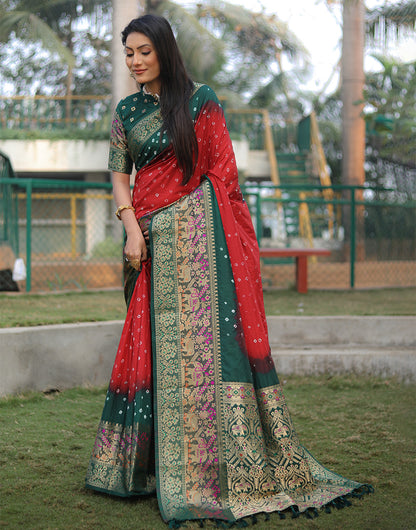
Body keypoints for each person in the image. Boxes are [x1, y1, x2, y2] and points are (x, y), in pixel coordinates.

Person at [85, 14, 372, 526]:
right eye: (128, 52)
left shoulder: (200, 101)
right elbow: (118, 177)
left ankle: (206, 466)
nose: (134, 61)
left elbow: (223, 178)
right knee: (149, 345)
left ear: (164, 51)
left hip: (197, 247)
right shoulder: (126, 110)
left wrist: (179, 221)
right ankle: (145, 469)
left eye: (143, 51)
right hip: (146, 244)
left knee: (203, 354)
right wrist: (132, 228)